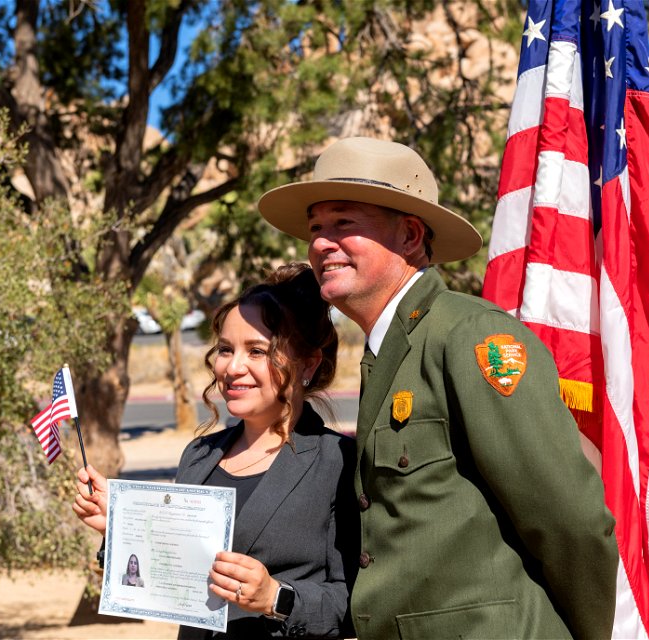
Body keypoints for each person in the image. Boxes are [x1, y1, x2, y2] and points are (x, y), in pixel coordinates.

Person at [257, 137, 620, 639]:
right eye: (316, 228)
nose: (321, 243)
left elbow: (570, 520)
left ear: (409, 235)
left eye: (344, 223)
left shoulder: (469, 336)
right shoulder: (388, 349)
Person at [72, 263, 359, 639]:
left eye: (257, 351)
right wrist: (122, 529)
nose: (233, 367)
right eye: (225, 349)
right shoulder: (199, 455)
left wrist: (276, 597)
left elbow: (357, 602)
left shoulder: (337, 462)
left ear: (308, 363)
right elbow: (170, 577)